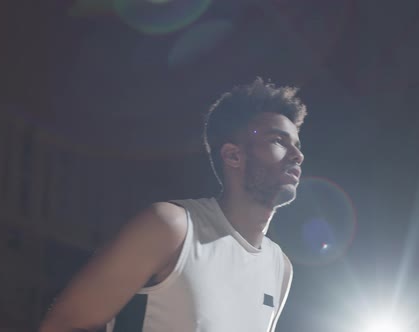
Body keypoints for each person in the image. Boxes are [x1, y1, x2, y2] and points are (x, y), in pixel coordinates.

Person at [39, 77, 307, 332]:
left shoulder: (279, 266)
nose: (297, 155)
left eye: (296, 145)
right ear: (233, 155)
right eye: (278, 141)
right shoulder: (170, 226)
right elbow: (61, 325)